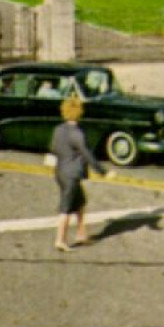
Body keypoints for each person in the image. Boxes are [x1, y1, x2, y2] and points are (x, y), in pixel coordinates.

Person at [50, 95, 107, 252]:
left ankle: (81, 234)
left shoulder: (58, 129)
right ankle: (60, 240)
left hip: (60, 171)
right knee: (66, 208)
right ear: (79, 112)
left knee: (80, 202)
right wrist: (102, 172)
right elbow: (88, 155)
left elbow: (54, 148)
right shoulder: (77, 134)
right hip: (72, 175)